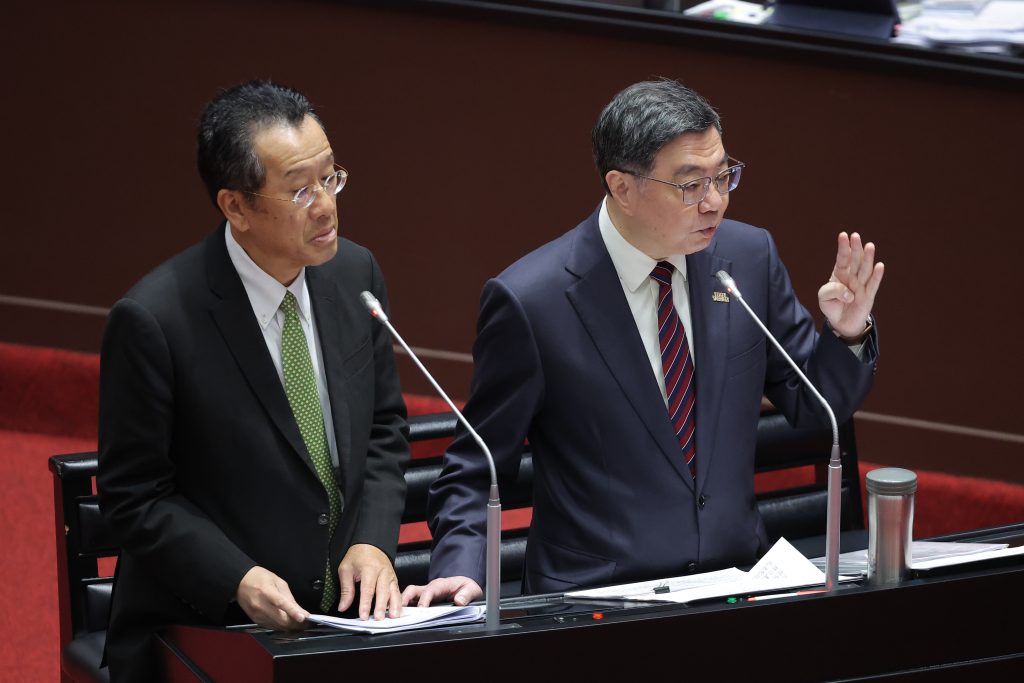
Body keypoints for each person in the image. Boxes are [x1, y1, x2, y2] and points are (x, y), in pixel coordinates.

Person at [404, 79, 884, 607]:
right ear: (623, 188)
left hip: (734, 590)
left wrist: (847, 333)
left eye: (723, 176)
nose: (715, 202)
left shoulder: (748, 259)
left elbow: (816, 408)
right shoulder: (532, 302)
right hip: (598, 605)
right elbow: (476, 465)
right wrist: (460, 568)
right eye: (691, 185)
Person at [97, 80, 409, 681]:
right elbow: (135, 495)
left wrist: (372, 541)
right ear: (235, 207)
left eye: (330, 178)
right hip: (203, 625)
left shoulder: (355, 274)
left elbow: (384, 429)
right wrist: (235, 578)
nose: (325, 206)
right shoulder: (155, 320)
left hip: (339, 622)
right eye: (299, 190)